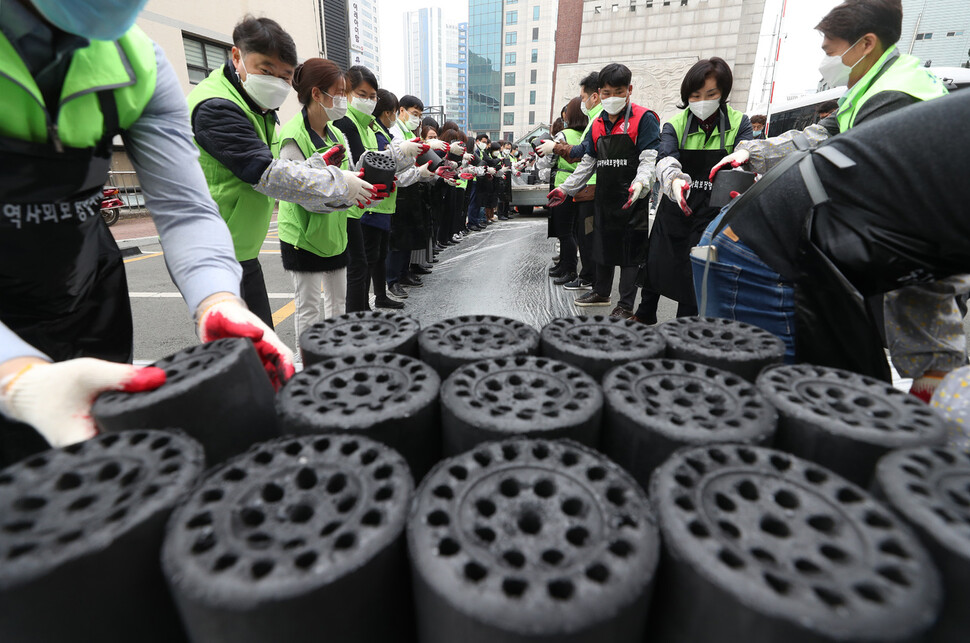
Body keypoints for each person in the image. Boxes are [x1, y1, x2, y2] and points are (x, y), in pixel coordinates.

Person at [0, 1, 293, 463]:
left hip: (87, 293)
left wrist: (217, 299)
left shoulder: (137, 63)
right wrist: (13, 373)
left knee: (108, 467)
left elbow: (183, 207)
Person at [700, 0, 953, 382]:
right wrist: (750, 153)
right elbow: (818, 135)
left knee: (929, 351)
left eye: (830, 50)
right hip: (906, 236)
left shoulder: (895, 96)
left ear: (866, 44)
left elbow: (855, 178)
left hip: (918, 242)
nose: (825, 61)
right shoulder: (871, 86)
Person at [711, 90, 970, 389]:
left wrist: (934, 375)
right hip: (769, 243)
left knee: (852, 384)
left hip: (835, 244)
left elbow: (923, 274)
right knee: (793, 390)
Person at [189, 17, 381, 329]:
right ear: (236, 56)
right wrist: (340, 183)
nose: (277, 82)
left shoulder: (258, 108)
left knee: (263, 339)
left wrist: (353, 188)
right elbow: (267, 174)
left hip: (243, 247)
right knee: (248, 348)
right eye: (266, 71)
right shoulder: (217, 106)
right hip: (216, 250)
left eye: (285, 76)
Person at [638, 57, 752, 322]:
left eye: (711, 94)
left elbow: (747, 155)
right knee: (657, 260)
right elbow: (665, 157)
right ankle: (645, 314)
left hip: (712, 212)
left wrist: (742, 161)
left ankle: (684, 325)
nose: (703, 101)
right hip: (677, 204)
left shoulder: (739, 123)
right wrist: (675, 180)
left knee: (697, 268)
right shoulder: (675, 124)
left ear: (723, 93)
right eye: (695, 95)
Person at [546, 63, 661, 316]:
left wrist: (641, 184)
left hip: (632, 197)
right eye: (606, 93)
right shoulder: (597, 123)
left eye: (618, 91)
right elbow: (588, 162)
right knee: (603, 245)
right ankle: (601, 291)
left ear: (629, 90)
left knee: (630, 252)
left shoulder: (644, 118)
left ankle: (625, 305)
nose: (611, 98)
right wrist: (565, 189)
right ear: (600, 92)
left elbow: (648, 159)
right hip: (604, 196)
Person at [274, 58, 354, 345]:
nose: (344, 99)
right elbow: (303, 195)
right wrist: (348, 194)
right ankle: (310, 365)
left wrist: (359, 190)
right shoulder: (293, 136)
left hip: (334, 232)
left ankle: (335, 355)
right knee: (308, 306)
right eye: (340, 92)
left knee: (338, 303)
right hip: (302, 235)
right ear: (317, 94)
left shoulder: (336, 133)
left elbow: (350, 178)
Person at [333, 66, 427, 312]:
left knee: (372, 259)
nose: (368, 101)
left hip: (375, 201)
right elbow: (360, 163)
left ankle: (371, 305)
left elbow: (385, 161)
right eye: (362, 94)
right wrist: (401, 160)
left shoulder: (371, 127)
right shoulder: (345, 124)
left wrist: (404, 160)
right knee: (356, 268)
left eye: (372, 96)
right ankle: (358, 317)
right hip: (360, 206)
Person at [544, 72, 603, 292]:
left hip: (587, 189)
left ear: (594, 96)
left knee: (581, 234)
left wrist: (555, 148)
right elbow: (586, 157)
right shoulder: (594, 122)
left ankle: (587, 277)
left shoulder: (597, 120)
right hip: (580, 187)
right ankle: (588, 277)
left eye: (583, 96)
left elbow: (583, 157)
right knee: (582, 234)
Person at [544, 100, 588, 285]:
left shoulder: (563, 134)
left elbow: (549, 161)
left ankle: (569, 269)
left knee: (564, 230)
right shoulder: (586, 134)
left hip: (564, 184)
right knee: (575, 230)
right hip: (584, 185)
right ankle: (564, 265)